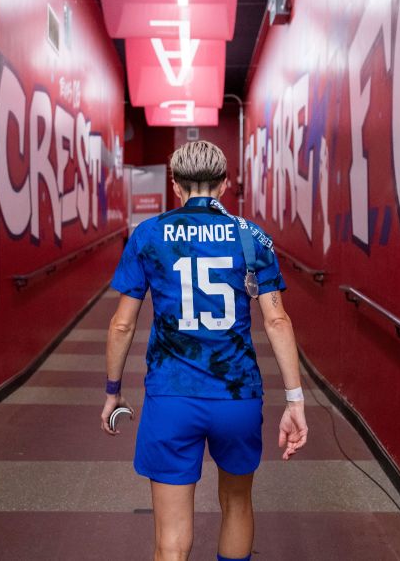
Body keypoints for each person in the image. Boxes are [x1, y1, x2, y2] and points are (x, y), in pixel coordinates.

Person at [101, 140, 308, 561]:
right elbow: (277, 320)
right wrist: (295, 399)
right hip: (237, 397)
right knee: (236, 505)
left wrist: (113, 390)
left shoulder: (149, 235)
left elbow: (122, 323)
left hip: (172, 397)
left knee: (171, 539)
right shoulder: (252, 238)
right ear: (225, 183)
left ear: (175, 185)